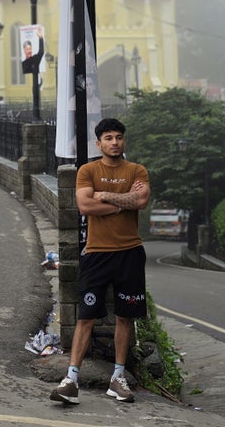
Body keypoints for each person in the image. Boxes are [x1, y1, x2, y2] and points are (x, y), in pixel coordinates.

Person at [50, 118, 150, 406]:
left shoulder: (137, 170)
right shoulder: (88, 170)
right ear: (99, 143)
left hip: (130, 252)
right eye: (108, 138)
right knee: (85, 317)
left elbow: (141, 201)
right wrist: (123, 201)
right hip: (96, 253)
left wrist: (105, 196)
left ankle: (117, 378)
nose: (114, 142)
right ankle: (71, 380)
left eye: (119, 137)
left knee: (125, 316)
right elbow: (84, 205)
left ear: (124, 141)